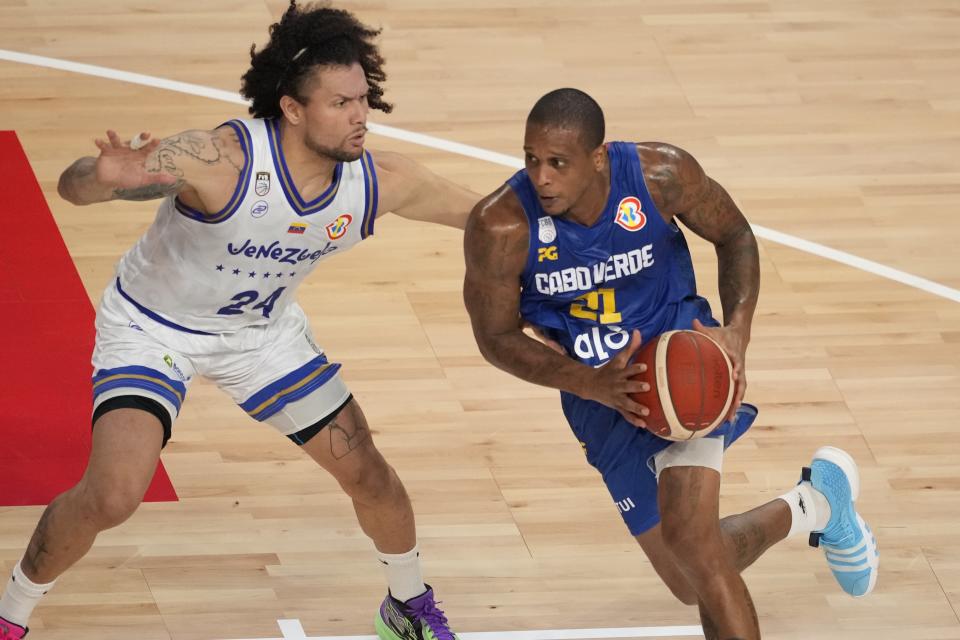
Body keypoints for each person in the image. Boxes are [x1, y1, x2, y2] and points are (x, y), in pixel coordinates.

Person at [0, 4, 475, 640]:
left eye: (363, 98)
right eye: (340, 103)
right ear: (293, 108)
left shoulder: (382, 182)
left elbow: (490, 217)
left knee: (369, 475)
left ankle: (407, 605)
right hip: (153, 328)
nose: (360, 115)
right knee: (113, 495)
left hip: (261, 337)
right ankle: (12, 613)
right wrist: (101, 176)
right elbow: (76, 187)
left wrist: (580, 229)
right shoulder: (217, 159)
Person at [462, 88, 879, 640]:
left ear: (598, 157)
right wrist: (589, 383)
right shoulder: (501, 226)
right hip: (597, 396)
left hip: (683, 372)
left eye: (558, 163)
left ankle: (814, 504)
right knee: (687, 580)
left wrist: (737, 331)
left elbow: (735, 234)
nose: (542, 177)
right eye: (531, 159)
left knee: (695, 544)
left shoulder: (661, 175)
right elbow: (494, 337)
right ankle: (814, 503)